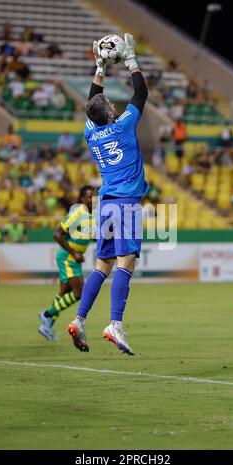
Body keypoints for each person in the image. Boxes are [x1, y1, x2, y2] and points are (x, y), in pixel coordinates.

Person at [66, 34, 149, 355]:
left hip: (106, 204)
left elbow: (92, 102)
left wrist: (99, 66)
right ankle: (114, 323)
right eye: (112, 105)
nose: (114, 105)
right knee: (126, 261)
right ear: (111, 113)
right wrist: (131, 61)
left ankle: (79, 318)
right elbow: (141, 93)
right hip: (127, 203)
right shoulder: (124, 126)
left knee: (102, 265)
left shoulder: (91, 132)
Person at [38, 186, 95, 341]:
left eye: (95, 196)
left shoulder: (95, 215)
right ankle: (46, 314)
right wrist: (74, 253)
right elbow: (57, 234)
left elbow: (90, 235)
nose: (93, 199)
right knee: (80, 293)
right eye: (89, 197)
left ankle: (46, 325)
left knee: (63, 294)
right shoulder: (77, 212)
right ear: (82, 199)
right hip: (68, 257)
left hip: (74, 258)